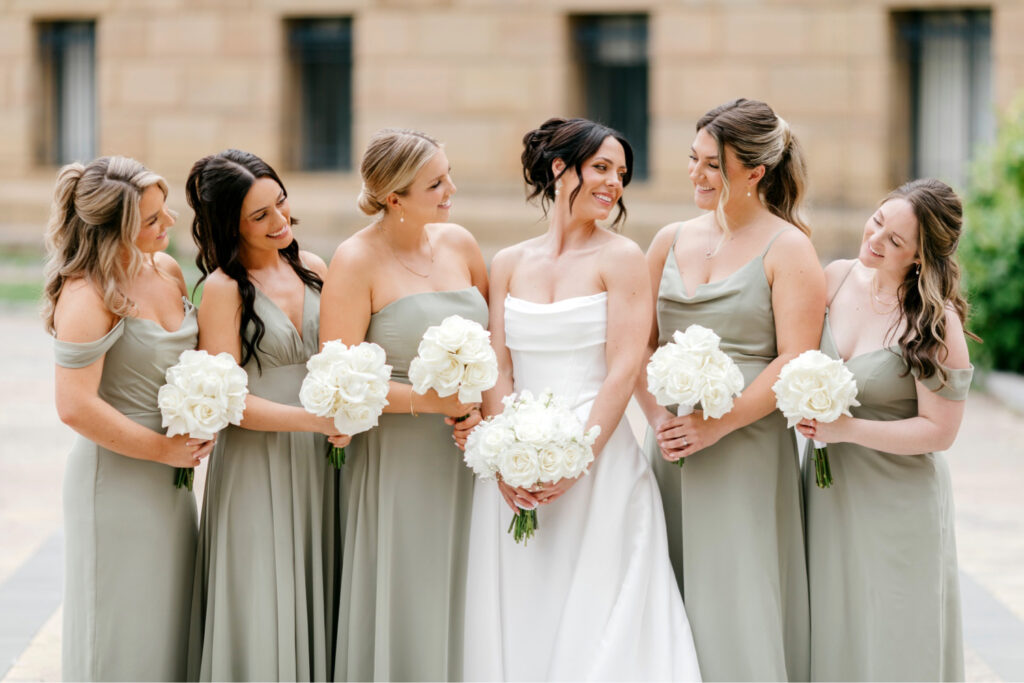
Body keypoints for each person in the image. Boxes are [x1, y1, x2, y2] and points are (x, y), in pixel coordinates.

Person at [463, 117, 702, 681]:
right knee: (524, 604)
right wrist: (504, 457)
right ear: (558, 169)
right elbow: (498, 364)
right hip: (516, 463)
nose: (614, 183)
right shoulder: (508, 263)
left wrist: (576, 461)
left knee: (598, 609)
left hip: (599, 462)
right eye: (601, 167)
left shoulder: (620, 258)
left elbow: (623, 368)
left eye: (621, 173)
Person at [635, 98, 824, 680]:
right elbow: (637, 345)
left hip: (744, 447)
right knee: (667, 586)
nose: (695, 173)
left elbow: (795, 358)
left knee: (738, 593)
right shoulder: (667, 239)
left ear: (755, 172)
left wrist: (716, 424)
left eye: (712, 165)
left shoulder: (788, 248)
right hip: (671, 447)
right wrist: (658, 419)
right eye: (693, 159)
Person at [321, 128, 489, 682]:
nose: (451, 190)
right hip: (398, 459)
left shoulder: (460, 243)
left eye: (448, 175)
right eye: (436, 183)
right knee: (409, 586)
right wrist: (430, 400)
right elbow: (340, 381)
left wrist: (482, 413)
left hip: (469, 452)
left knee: (472, 587)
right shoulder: (355, 260)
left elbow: (493, 348)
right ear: (394, 197)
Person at [796, 178, 973, 681]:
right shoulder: (832, 278)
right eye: (877, 221)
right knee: (836, 626)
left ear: (920, 257)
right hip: (830, 494)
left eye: (895, 241)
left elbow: (940, 432)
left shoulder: (934, 325)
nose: (875, 240)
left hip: (899, 503)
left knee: (897, 633)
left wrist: (847, 429)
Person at [45, 156, 212, 681]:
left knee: (164, 622)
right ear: (114, 229)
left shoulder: (164, 269)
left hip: (171, 484)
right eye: (153, 220)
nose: (170, 225)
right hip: (115, 483)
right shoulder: (87, 293)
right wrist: (164, 449)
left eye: (166, 212)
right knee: (118, 626)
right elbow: (74, 405)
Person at [185, 149, 348, 681]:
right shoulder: (223, 290)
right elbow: (229, 403)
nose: (280, 223)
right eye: (260, 216)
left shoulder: (315, 269)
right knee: (265, 598)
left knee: (320, 587)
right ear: (229, 225)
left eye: (281, 204)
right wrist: (316, 422)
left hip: (325, 462)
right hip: (259, 465)